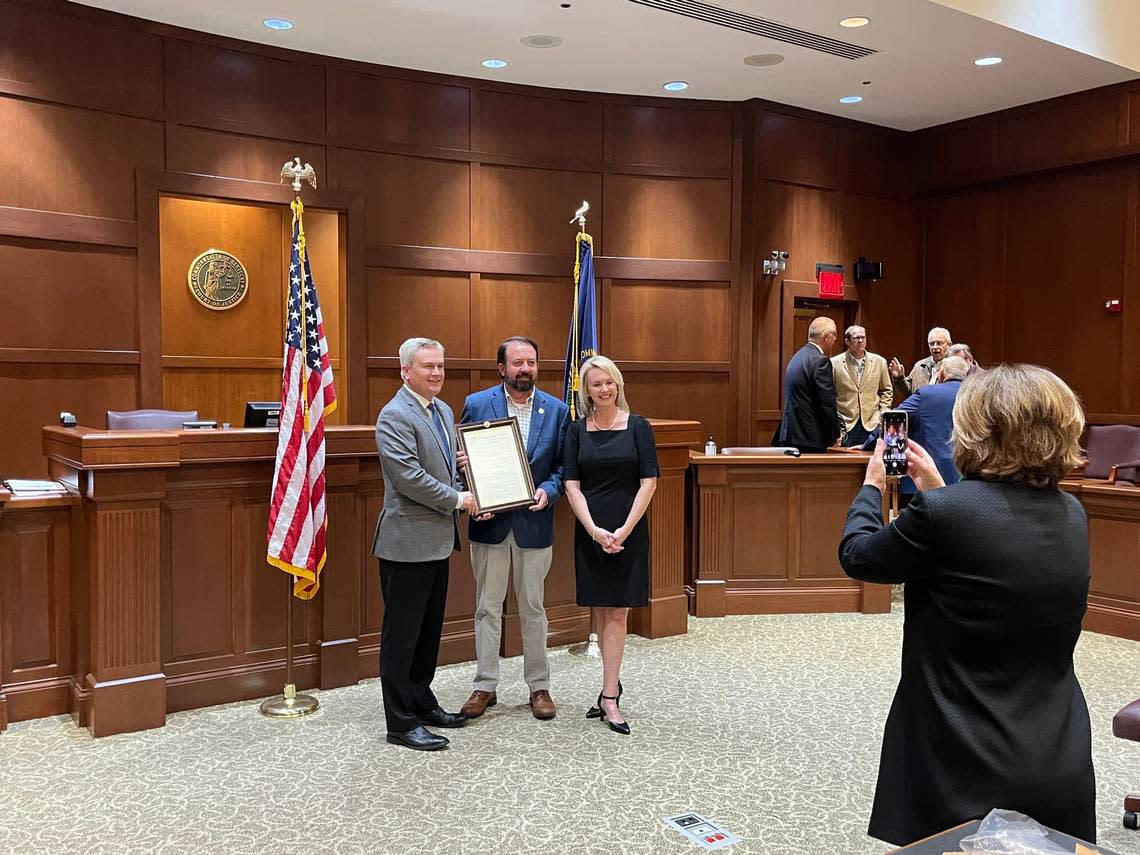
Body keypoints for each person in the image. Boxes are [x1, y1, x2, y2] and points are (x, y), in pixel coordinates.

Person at [838, 364, 1095, 846]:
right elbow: (988, 544)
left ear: (980, 432)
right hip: (1055, 747)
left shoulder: (946, 515)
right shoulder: (1071, 513)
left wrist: (873, 484)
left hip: (962, 755)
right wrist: (941, 490)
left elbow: (859, 556)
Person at [372, 337, 480, 751]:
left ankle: (421, 701)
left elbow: (442, 468)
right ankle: (400, 722)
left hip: (437, 541)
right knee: (401, 638)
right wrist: (459, 499)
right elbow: (409, 479)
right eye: (427, 367)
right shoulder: (394, 416)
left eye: (440, 365)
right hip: (406, 543)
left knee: (427, 633)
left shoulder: (442, 410)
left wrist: (464, 480)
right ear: (405, 371)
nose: (437, 373)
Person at [459, 336, 569, 721]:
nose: (526, 369)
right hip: (490, 525)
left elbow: (562, 466)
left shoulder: (557, 410)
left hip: (533, 525)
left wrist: (549, 490)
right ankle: (484, 686)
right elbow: (463, 463)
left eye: (532, 362)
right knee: (487, 608)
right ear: (502, 368)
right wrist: (472, 496)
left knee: (533, 608)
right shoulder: (477, 404)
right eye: (518, 363)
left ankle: (539, 686)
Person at [563, 356, 658, 736]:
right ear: (586, 390)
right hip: (591, 531)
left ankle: (609, 698)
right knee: (600, 612)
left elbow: (648, 481)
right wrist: (593, 530)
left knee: (617, 612)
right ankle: (610, 684)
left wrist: (622, 530)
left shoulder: (638, 427)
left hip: (628, 530)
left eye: (610, 383)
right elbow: (571, 484)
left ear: (618, 386)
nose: (604, 389)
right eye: (596, 384)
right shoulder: (576, 430)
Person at [893, 354, 968, 494]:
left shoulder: (926, 394)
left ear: (941, 374)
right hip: (970, 477)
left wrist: (868, 444)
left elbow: (894, 418)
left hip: (928, 475)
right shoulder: (978, 395)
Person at [775, 317, 840, 454]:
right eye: (834, 335)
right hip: (810, 438)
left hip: (791, 433)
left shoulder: (798, 356)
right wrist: (835, 434)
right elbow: (826, 402)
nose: (835, 339)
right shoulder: (820, 361)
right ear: (826, 336)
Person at [831, 325, 892, 447]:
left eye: (863, 337)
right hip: (846, 424)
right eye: (856, 338)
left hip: (871, 423)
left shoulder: (879, 362)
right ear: (847, 341)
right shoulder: (834, 363)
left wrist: (882, 413)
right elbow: (830, 393)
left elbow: (886, 391)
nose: (860, 341)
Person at [889, 326, 951, 402]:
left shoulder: (955, 366)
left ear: (949, 344)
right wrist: (899, 378)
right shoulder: (920, 366)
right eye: (931, 344)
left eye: (939, 343)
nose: (935, 347)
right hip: (921, 411)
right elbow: (908, 394)